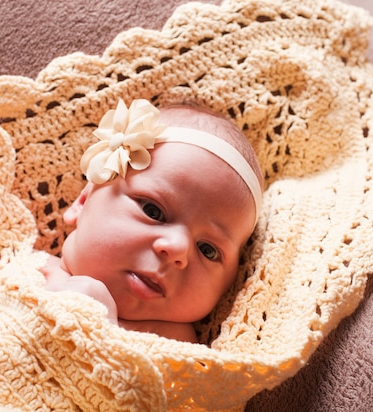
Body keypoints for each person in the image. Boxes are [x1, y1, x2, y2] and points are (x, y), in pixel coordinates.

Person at [40, 99, 264, 343]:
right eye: (153, 211)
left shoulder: (178, 347)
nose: (177, 248)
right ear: (82, 202)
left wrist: (101, 326)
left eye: (207, 250)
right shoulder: (25, 267)